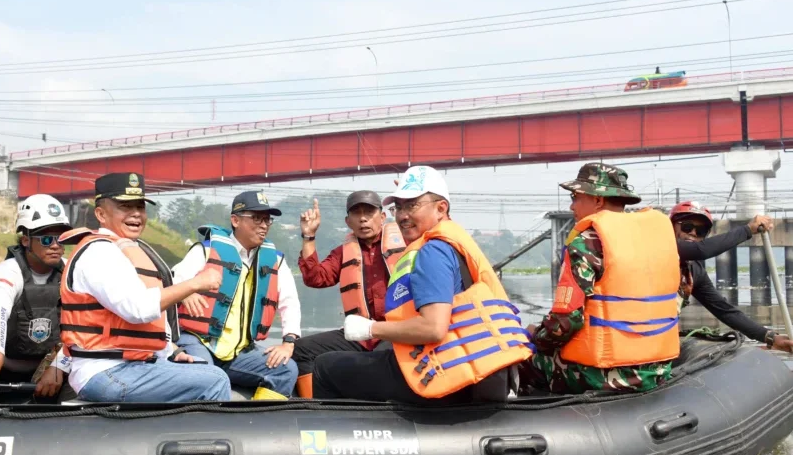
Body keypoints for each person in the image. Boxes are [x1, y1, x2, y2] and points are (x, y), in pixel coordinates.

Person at [312, 166, 531, 405]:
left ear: (441, 208)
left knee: (325, 366)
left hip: (448, 379)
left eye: (412, 205)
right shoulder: (453, 241)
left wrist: (370, 329)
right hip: (482, 376)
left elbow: (433, 328)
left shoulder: (432, 252)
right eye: (399, 207)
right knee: (377, 355)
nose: (403, 216)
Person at [54, 173, 231, 403]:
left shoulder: (128, 251)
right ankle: (207, 439)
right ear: (101, 214)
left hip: (131, 365)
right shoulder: (100, 252)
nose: (136, 213)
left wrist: (172, 352)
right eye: (125, 206)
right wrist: (195, 284)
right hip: (106, 372)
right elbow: (137, 309)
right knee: (216, 379)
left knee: (200, 367)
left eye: (140, 206)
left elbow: (147, 326)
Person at [526, 163, 680, 395]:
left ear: (598, 200)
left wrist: (535, 337)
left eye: (576, 196)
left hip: (604, 375)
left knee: (521, 358)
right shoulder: (657, 241)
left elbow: (566, 323)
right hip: (657, 370)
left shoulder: (587, 242)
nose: (571, 205)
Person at [172, 190, 302, 400]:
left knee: (286, 369)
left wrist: (288, 343)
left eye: (268, 220)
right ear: (235, 220)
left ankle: (258, 424)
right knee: (206, 377)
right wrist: (185, 292)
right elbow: (173, 280)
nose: (264, 225)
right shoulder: (205, 251)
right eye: (257, 218)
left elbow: (290, 302)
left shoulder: (275, 261)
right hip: (198, 340)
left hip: (240, 350)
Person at [291, 191, 407, 397]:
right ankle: (313, 409)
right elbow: (315, 278)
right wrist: (309, 236)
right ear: (348, 221)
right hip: (361, 334)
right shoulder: (343, 252)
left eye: (369, 213)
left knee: (379, 362)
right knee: (301, 350)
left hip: (396, 331)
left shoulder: (407, 244)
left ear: (382, 217)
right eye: (356, 213)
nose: (363, 218)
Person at [0, 194, 72, 399]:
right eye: (45, 239)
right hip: (3, 367)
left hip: (51, 368)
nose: (55, 246)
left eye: (61, 239)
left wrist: (59, 365)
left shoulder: (72, 271)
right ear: (26, 240)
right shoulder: (8, 272)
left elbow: (84, 328)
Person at [671, 201, 793, 354]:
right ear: (672, 227)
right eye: (687, 226)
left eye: (700, 231)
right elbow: (701, 250)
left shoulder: (694, 271)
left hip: (663, 340)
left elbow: (725, 310)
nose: (693, 233)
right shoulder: (661, 249)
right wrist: (747, 230)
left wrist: (771, 337)